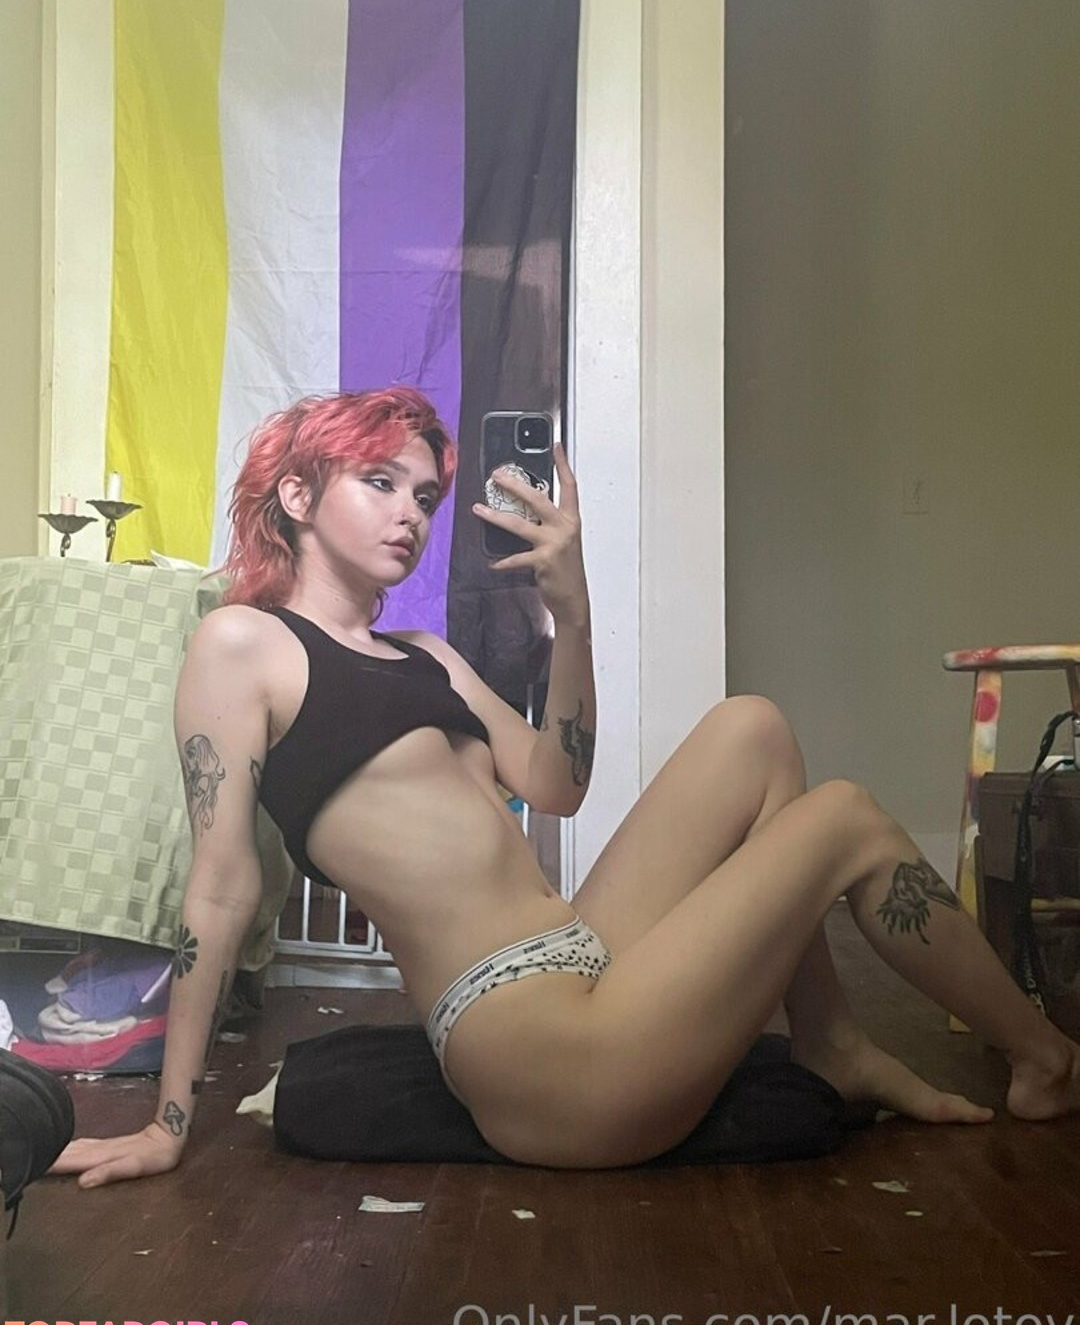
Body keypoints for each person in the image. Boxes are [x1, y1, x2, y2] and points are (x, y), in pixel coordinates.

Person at [53, 387, 1080, 1187]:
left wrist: (573, 615)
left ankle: (832, 1039)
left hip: (582, 954)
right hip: (533, 1048)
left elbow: (557, 783)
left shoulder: (425, 654)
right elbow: (222, 886)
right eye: (379, 482)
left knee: (752, 729)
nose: (410, 514)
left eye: (424, 495)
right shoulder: (245, 644)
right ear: (296, 495)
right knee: (844, 816)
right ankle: (1046, 1059)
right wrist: (167, 1123)